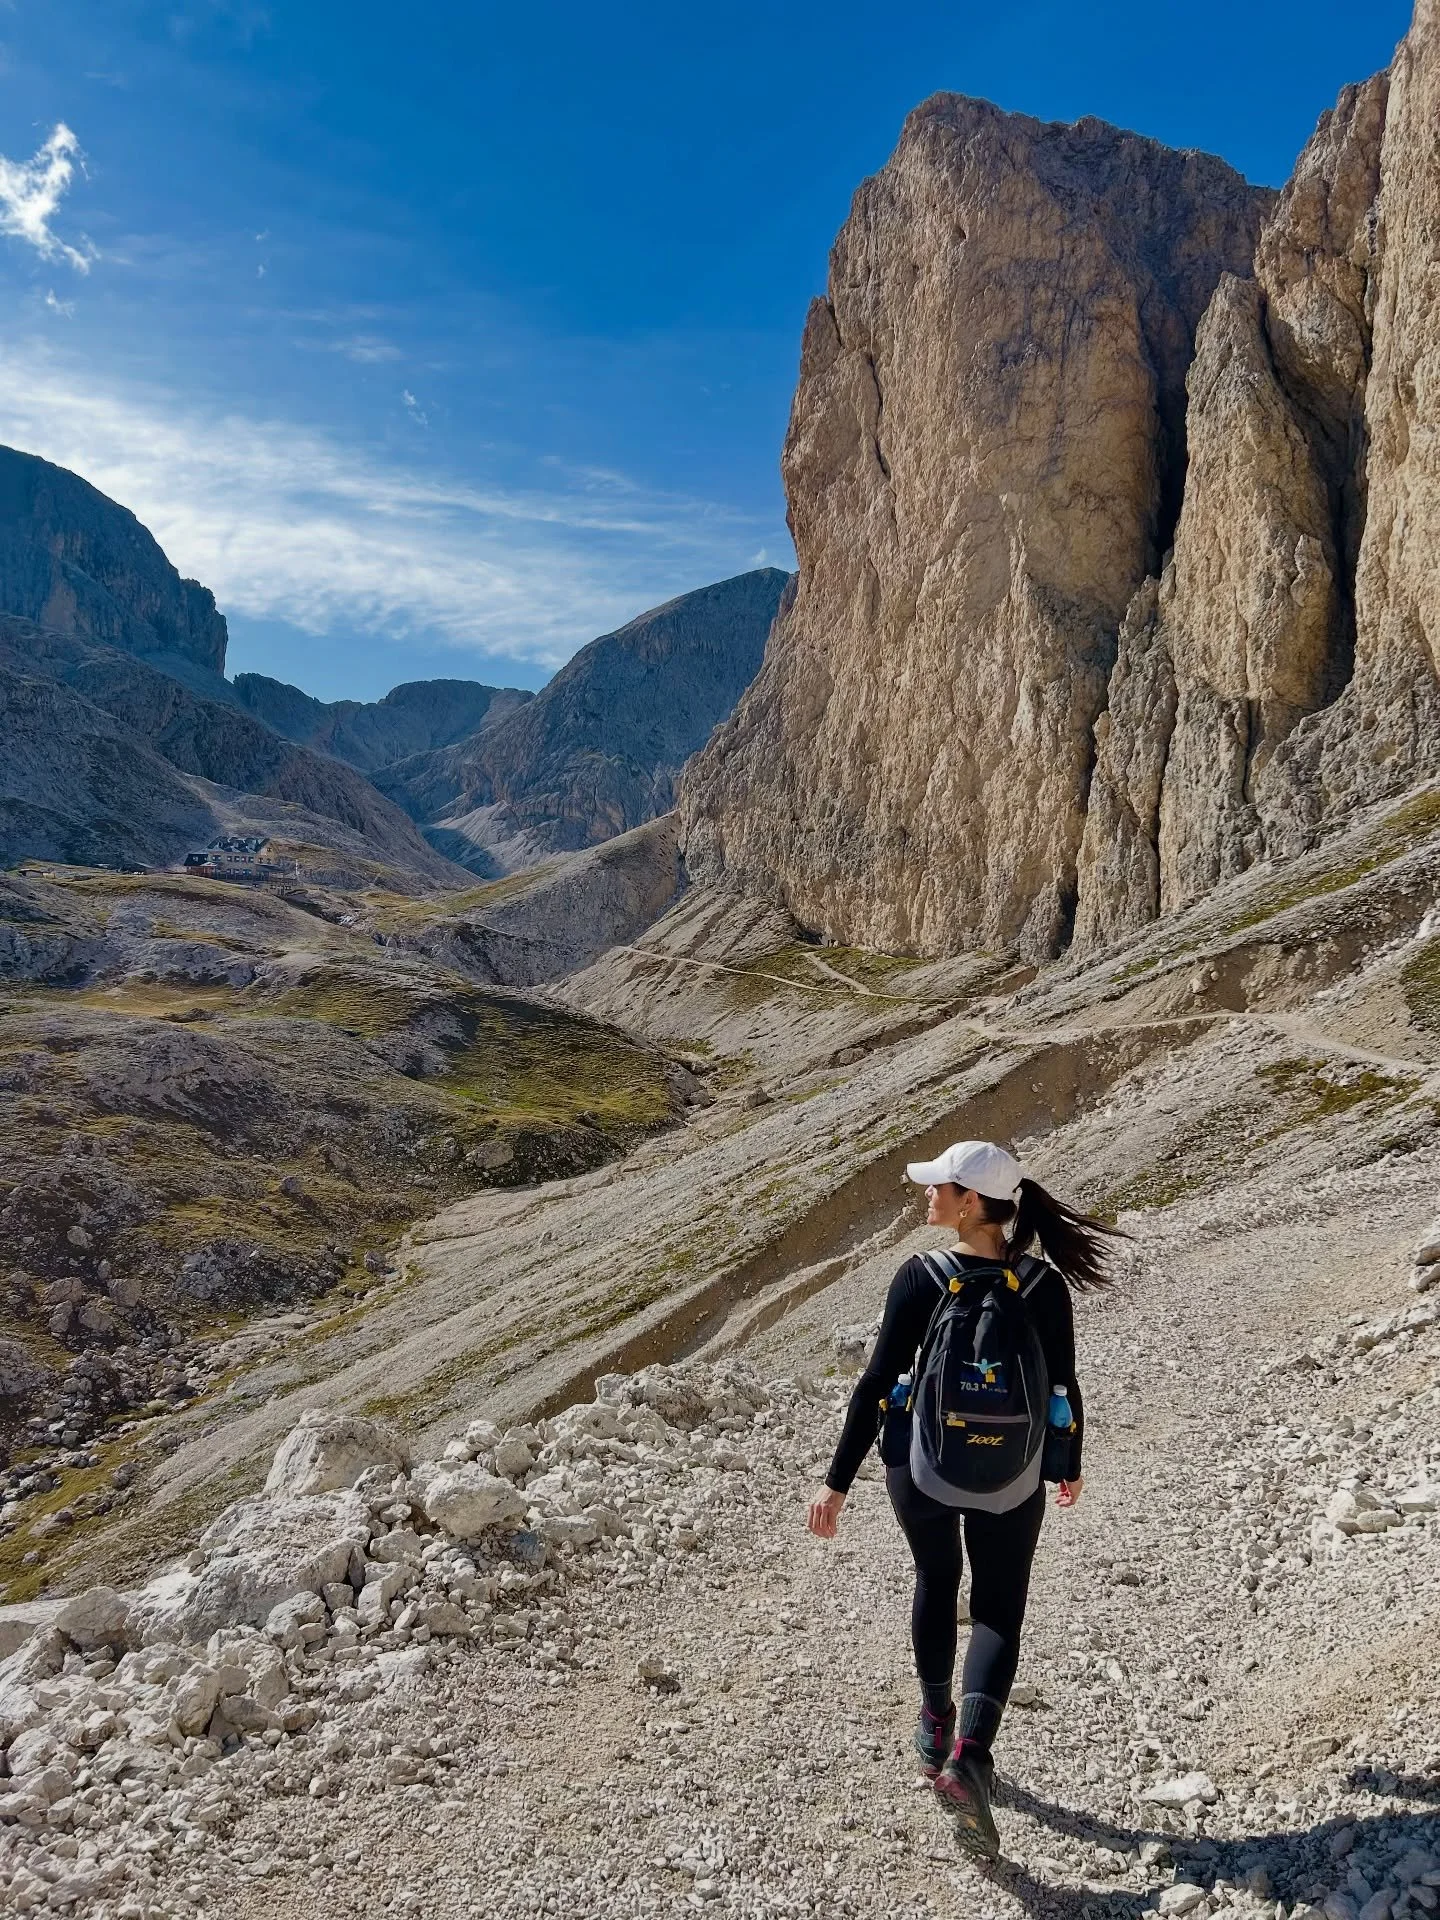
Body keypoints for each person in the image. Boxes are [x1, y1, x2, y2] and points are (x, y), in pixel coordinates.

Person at [806, 1139, 1121, 1860]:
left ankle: (933, 1723)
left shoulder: (923, 1276)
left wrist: (836, 1481)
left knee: (936, 1576)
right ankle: (971, 1756)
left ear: (970, 1201)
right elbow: (1063, 1385)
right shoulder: (1043, 1285)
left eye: (938, 1187)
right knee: (999, 1607)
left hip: (921, 1466)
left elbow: (877, 1383)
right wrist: (1067, 1464)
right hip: (1014, 1470)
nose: (928, 1195)